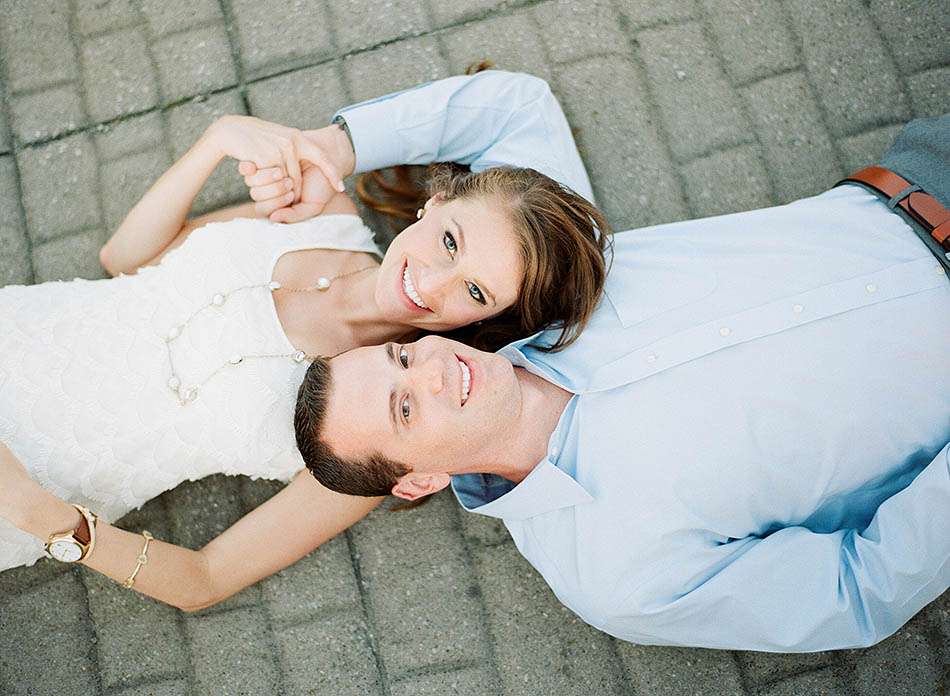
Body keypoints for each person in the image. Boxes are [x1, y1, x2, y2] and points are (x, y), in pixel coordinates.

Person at [273, 76, 946, 652]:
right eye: (406, 407)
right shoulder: (616, 575)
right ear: (420, 481)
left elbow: (516, 104)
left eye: (402, 356)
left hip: (924, 184)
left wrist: (333, 147)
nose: (433, 370)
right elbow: (860, 590)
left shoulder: (546, 289)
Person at [0, 73, 610, 612]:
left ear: (495, 320)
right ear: (434, 204)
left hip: (29, 477)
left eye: (475, 292)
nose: (430, 281)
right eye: (450, 242)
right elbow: (124, 258)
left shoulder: (380, 425)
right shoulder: (325, 214)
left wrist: (44, 518)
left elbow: (204, 578)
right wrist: (216, 138)